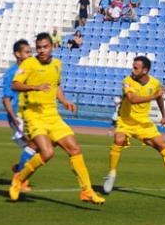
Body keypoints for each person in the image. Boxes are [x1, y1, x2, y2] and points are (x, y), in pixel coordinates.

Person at [9, 33, 105, 204]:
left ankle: (87, 191)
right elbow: (15, 85)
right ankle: (19, 179)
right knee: (47, 153)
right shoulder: (29, 63)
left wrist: (65, 101)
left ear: (52, 47)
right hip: (34, 116)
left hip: (53, 115)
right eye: (39, 48)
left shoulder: (57, 64)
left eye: (45, 47)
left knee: (75, 149)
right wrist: (34, 87)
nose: (41, 51)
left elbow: (56, 86)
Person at [102, 56, 165, 194]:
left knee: (162, 145)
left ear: (145, 70)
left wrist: (164, 115)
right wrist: (153, 96)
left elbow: (159, 98)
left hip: (144, 122)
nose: (132, 70)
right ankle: (111, 175)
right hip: (126, 121)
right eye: (133, 67)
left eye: (135, 68)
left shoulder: (155, 83)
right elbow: (132, 99)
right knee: (118, 140)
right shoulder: (127, 81)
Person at [2, 39, 38, 192]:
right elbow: (6, 99)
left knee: (38, 147)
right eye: (27, 52)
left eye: (31, 52)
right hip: (17, 115)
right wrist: (14, 119)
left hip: (28, 114)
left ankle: (20, 169)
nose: (30, 55)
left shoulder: (27, 71)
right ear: (17, 54)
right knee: (34, 145)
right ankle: (20, 178)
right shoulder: (11, 74)